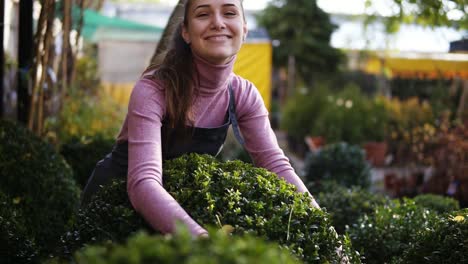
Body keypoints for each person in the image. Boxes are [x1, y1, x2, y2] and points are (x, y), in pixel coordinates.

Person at [81, 0, 320, 237]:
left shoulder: (243, 94)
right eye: (203, 14)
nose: (218, 23)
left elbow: (277, 166)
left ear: (244, 29)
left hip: (173, 219)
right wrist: (202, 240)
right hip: (112, 216)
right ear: (186, 32)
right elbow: (144, 181)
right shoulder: (154, 89)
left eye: (229, 12)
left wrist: (325, 230)